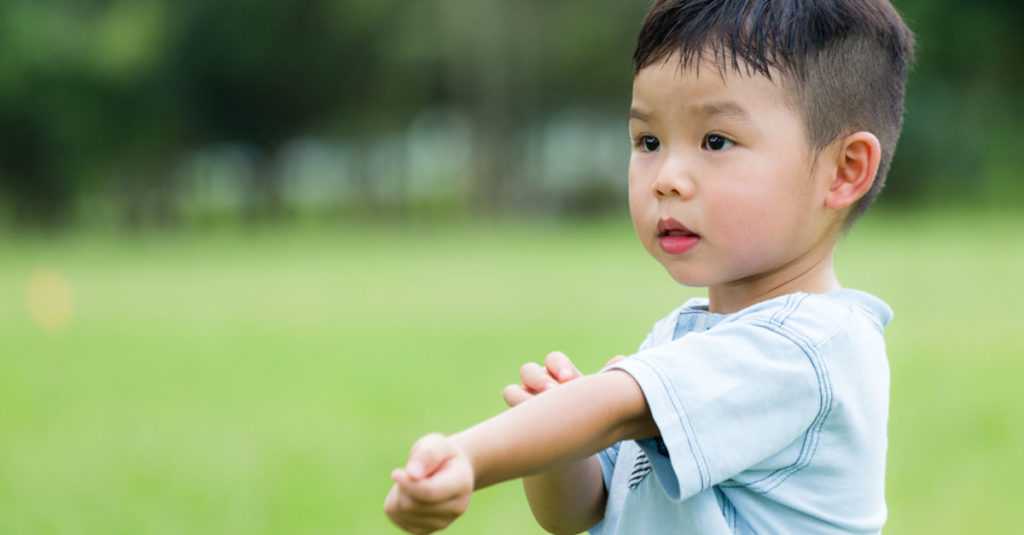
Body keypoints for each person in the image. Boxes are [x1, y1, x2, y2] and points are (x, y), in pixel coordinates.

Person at [384, 0, 914, 533]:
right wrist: (562, 444)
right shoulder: (686, 333)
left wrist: (468, 455)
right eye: (649, 142)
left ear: (844, 171)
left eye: (715, 141)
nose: (667, 177)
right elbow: (580, 512)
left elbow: (614, 410)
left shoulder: (806, 349)